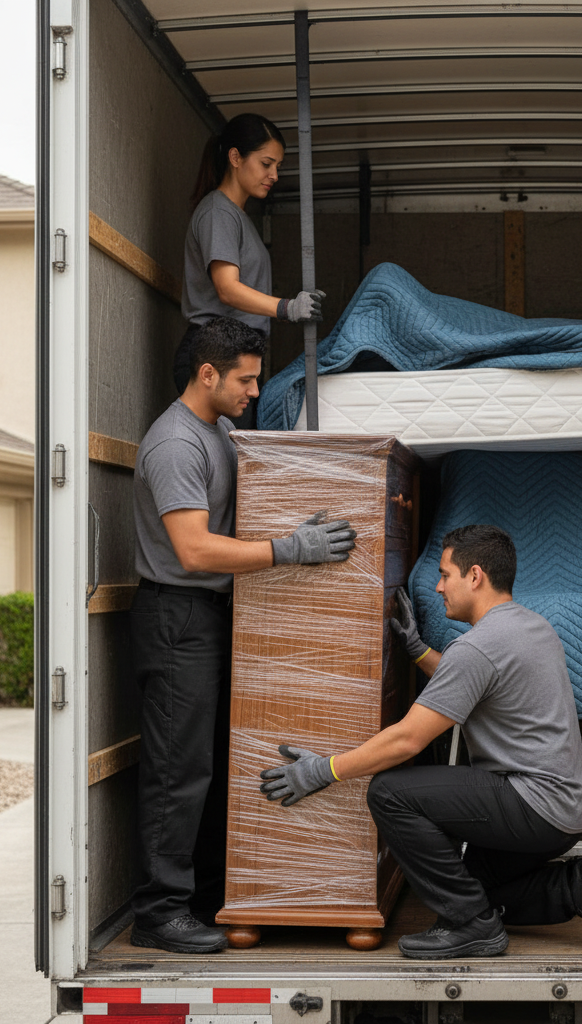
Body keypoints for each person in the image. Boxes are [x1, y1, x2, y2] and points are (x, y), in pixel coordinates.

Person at [258, 524, 582, 959]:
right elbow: (473, 682)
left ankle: (471, 927)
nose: (437, 587)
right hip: (565, 813)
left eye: (445, 574)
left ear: (475, 576)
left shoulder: (479, 647)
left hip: (533, 805)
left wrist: (325, 770)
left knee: (390, 792)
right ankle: (576, 886)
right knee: (473, 887)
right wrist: (417, 650)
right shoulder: (531, 626)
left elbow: (408, 740)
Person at [130, 316, 357, 954]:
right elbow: (196, 549)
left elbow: (245, 507)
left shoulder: (222, 432)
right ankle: (158, 911)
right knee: (178, 769)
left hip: (212, 614)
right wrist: (290, 550)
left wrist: (296, 520)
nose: (255, 392)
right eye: (246, 380)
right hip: (177, 615)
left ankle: (199, 895)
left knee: (207, 764)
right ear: (208, 374)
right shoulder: (176, 444)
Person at [175, 112, 325, 397]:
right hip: (216, 354)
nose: (275, 175)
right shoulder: (218, 212)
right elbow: (227, 289)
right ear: (235, 158)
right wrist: (287, 308)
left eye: (278, 166)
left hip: (235, 354)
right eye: (266, 164)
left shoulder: (238, 217)